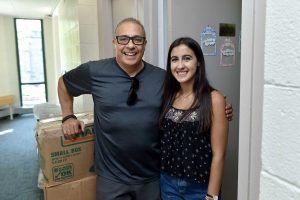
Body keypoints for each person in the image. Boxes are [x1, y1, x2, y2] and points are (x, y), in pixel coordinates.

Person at [57, 18, 232, 200]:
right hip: (111, 179)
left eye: (137, 39)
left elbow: (190, 97)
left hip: (153, 178)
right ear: (114, 43)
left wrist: (220, 107)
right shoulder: (94, 71)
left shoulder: (163, 79)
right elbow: (64, 84)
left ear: (145, 44)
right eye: (123, 39)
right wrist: (68, 115)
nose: (130, 45)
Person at [159, 37, 229, 200]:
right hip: (168, 184)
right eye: (174, 59)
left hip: (200, 188)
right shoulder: (168, 96)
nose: (180, 65)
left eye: (187, 58)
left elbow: (219, 155)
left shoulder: (214, 99)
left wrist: (212, 196)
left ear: (198, 62)